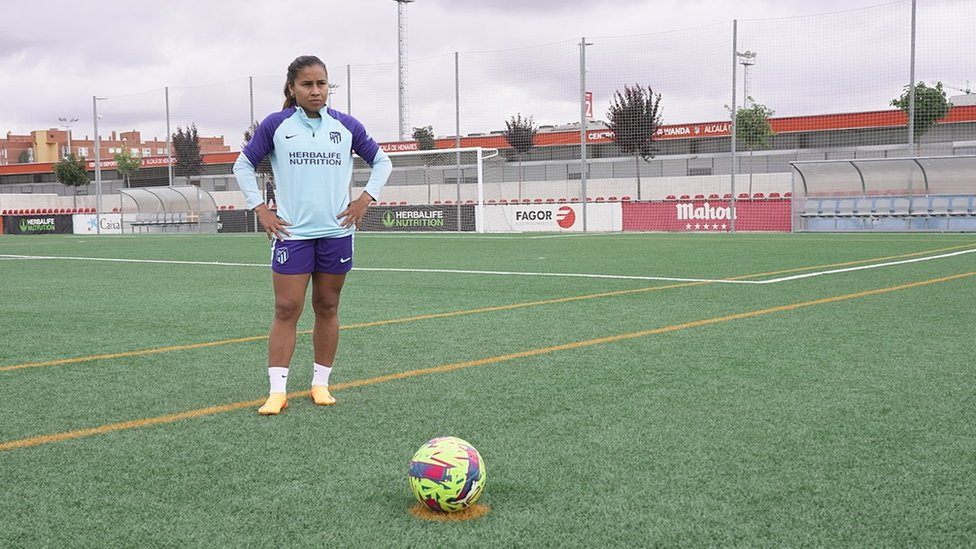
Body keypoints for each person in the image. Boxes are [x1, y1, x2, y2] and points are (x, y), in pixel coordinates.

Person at [233, 55, 392, 415]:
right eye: (307, 84)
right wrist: (261, 209)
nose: (316, 91)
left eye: (322, 84)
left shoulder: (346, 126)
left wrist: (365, 199)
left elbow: (383, 162)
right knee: (287, 307)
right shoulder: (277, 125)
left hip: (337, 232)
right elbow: (242, 165)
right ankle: (277, 391)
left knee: (328, 306)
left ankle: (321, 384)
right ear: (292, 88)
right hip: (292, 233)